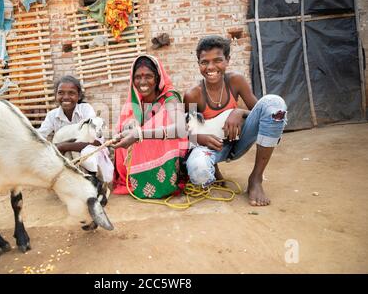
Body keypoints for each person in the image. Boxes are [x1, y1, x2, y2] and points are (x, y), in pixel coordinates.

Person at [184, 35, 287, 206]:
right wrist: (214, 169)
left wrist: (238, 112)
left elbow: (262, 113)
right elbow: (193, 134)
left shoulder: (235, 81)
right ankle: (213, 169)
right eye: (204, 62)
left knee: (274, 104)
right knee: (198, 172)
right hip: (215, 148)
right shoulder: (193, 95)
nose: (211, 67)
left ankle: (256, 178)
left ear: (227, 60)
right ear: (198, 64)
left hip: (240, 140)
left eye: (218, 60)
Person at [112, 54, 189, 198]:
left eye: (148, 76)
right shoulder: (135, 102)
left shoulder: (170, 98)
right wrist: (130, 127)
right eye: (138, 77)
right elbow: (126, 126)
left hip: (169, 152)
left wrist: (139, 134)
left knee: (162, 120)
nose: (142, 82)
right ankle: (138, 180)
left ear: (158, 77)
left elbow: (181, 129)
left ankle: (165, 182)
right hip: (144, 152)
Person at [38, 75, 113, 183]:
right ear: (55, 95)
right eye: (61, 93)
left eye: (71, 93)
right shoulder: (52, 115)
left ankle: (94, 181)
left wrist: (64, 146)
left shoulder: (86, 110)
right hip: (69, 156)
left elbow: (96, 143)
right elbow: (40, 136)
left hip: (89, 152)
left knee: (86, 153)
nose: (66, 97)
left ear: (79, 96)